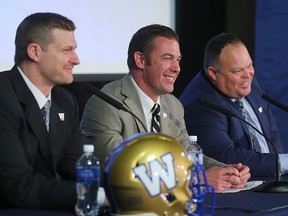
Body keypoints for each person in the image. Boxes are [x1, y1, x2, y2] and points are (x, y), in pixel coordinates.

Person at [81, 24, 250, 192]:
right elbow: (121, 167)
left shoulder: (173, 105)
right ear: (140, 60)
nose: (177, 68)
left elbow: (186, 154)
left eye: (178, 60)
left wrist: (227, 171)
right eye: (167, 58)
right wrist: (197, 178)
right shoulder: (107, 103)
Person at [0, 12, 105, 210]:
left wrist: (129, 185)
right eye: (67, 50)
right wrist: (97, 196)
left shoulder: (65, 101)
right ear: (35, 52)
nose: (76, 60)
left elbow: (77, 168)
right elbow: (19, 188)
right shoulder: (3, 98)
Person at [180, 32, 287, 177]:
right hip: (240, 189)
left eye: (250, 66)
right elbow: (226, 156)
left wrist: (280, 171)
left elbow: (271, 134)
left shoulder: (249, 82)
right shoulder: (201, 104)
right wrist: (283, 163)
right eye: (238, 70)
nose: (248, 74)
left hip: (270, 178)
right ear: (213, 73)